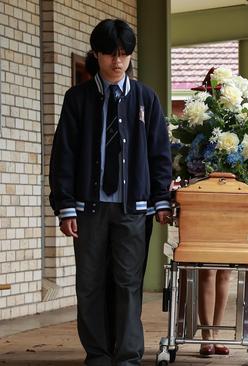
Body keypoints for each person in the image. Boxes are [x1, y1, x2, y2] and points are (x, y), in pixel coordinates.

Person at [49, 19, 172, 365]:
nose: (117, 62)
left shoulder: (146, 98)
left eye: (124, 55)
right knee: (89, 284)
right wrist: (65, 206)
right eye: (110, 55)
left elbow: (159, 152)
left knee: (128, 283)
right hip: (88, 210)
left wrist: (161, 198)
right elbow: (64, 155)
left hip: (133, 209)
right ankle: (99, 354)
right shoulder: (78, 99)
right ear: (97, 55)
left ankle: (128, 355)